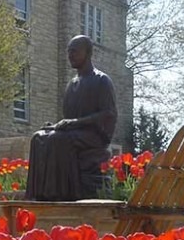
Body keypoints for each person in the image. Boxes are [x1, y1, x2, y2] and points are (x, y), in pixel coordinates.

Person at [24, 35, 118, 201]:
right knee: (38, 138)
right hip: (73, 133)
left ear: (88, 52)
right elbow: (69, 119)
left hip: (94, 136)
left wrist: (74, 123)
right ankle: (35, 196)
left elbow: (108, 114)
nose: (70, 55)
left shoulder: (101, 80)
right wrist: (55, 126)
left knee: (56, 140)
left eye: (74, 51)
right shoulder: (72, 84)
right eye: (69, 51)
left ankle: (59, 194)